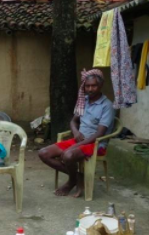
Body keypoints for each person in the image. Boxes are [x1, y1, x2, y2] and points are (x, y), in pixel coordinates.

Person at [39, 69, 115, 197]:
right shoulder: (83, 100)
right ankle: (78, 177)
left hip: (96, 144)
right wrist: (75, 132)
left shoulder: (107, 105)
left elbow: (100, 134)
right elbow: (73, 121)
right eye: (87, 86)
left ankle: (71, 182)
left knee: (68, 155)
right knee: (44, 153)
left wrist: (74, 146)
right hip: (79, 139)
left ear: (100, 86)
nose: (90, 89)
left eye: (94, 85)